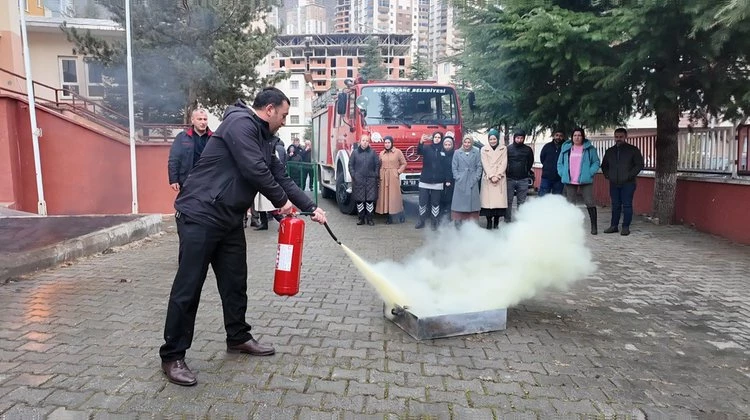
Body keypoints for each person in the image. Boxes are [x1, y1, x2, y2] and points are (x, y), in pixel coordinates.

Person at [159, 87, 328, 387]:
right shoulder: (239, 123)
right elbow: (255, 170)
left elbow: (282, 178)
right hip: (200, 215)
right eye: (285, 115)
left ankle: (237, 337)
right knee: (188, 287)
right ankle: (172, 355)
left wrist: (312, 207)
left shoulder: (266, 138)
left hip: (228, 219)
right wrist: (281, 202)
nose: (285, 122)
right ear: (269, 109)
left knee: (236, 282)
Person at [557, 127, 601, 235]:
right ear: (572, 137)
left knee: (589, 202)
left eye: (579, 135)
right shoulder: (566, 148)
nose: (577, 137)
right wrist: (562, 173)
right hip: (570, 180)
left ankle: (594, 227)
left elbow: (596, 162)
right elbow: (560, 163)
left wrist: (590, 172)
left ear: (583, 137)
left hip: (585, 180)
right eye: (575, 135)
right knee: (570, 204)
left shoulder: (589, 149)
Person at [601, 127, 644, 236]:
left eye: (621, 137)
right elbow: (604, 165)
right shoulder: (610, 151)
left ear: (625, 137)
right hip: (614, 183)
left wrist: (629, 176)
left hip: (628, 183)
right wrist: (608, 175)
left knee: (627, 205)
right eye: (616, 137)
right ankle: (614, 226)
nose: (618, 139)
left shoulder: (633, 150)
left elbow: (639, 165)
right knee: (615, 205)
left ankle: (625, 227)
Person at [167, 109, 212, 192]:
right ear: (192, 120)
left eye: (205, 119)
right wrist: (173, 180)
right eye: (199, 119)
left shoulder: (213, 138)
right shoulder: (182, 137)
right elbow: (174, 159)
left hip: (208, 182)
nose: (203, 122)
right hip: (187, 181)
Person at [253, 136, 288, 231]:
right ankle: (264, 223)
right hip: (259, 180)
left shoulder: (272, 151)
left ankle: (283, 221)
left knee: (269, 205)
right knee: (259, 205)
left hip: (267, 180)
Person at [416, 131, 446, 230]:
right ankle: (421, 221)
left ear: (441, 139)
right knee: (422, 202)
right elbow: (419, 151)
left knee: (435, 203)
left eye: (439, 137)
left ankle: (434, 222)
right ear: (432, 138)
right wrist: (421, 142)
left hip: (438, 181)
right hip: (425, 180)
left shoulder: (443, 149)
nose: (437, 139)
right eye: (435, 137)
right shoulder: (427, 148)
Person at [451, 135, 483, 226]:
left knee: (472, 203)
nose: (467, 144)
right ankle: (458, 222)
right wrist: (458, 177)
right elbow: (454, 167)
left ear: (472, 143)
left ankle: (472, 223)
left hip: (472, 179)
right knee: (459, 202)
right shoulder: (457, 152)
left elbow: (479, 166)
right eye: (465, 142)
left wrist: (476, 177)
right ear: (462, 142)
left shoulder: (476, 152)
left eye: (469, 142)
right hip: (461, 180)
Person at [348, 134, 380, 226]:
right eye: (363, 140)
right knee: (360, 200)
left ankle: (370, 219)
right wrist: (354, 175)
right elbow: (350, 165)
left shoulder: (373, 153)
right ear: (360, 141)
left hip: (371, 180)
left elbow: (377, 164)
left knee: (370, 201)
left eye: (366, 140)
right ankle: (361, 219)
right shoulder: (355, 153)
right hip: (358, 180)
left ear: (368, 142)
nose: (365, 142)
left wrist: (375, 174)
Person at [480, 129, 508, 229]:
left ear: (497, 139)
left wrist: (498, 175)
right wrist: (491, 175)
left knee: (498, 204)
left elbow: (504, 162)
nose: (492, 141)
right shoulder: (484, 149)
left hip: (500, 177)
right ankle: (488, 221)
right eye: (490, 139)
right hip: (488, 178)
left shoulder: (503, 149)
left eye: (494, 138)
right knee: (488, 204)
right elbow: (485, 163)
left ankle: (496, 222)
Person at [504, 130, 534, 222]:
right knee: (508, 201)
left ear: (523, 139)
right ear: (514, 138)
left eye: (521, 138)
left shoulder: (528, 150)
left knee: (521, 202)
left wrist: (526, 170)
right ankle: (507, 220)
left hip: (523, 179)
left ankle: (520, 222)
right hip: (510, 178)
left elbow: (530, 162)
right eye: (518, 138)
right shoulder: (508, 149)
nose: (519, 140)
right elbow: (504, 162)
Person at [376, 136, 407, 224]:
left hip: (393, 177)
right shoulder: (382, 153)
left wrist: (398, 172)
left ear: (392, 143)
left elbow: (404, 163)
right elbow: (379, 164)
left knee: (394, 196)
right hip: (384, 176)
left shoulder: (398, 152)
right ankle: (388, 216)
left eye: (388, 142)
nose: (387, 144)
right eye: (385, 143)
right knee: (385, 197)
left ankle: (401, 213)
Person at [539, 129, 565, 196]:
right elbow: (542, 158)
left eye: (560, 136)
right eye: (557, 135)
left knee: (557, 199)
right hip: (546, 177)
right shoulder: (547, 146)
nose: (558, 137)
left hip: (559, 178)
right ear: (554, 136)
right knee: (542, 198)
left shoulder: (565, 147)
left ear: (563, 137)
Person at [440, 136, 455, 222]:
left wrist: (449, 179)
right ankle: (441, 217)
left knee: (450, 198)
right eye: (445, 144)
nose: (447, 146)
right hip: (441, 179)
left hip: (452, 179)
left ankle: (450, 216)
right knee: (441, 198)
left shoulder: (455, 154)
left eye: (449, 144)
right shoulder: (440, 154)